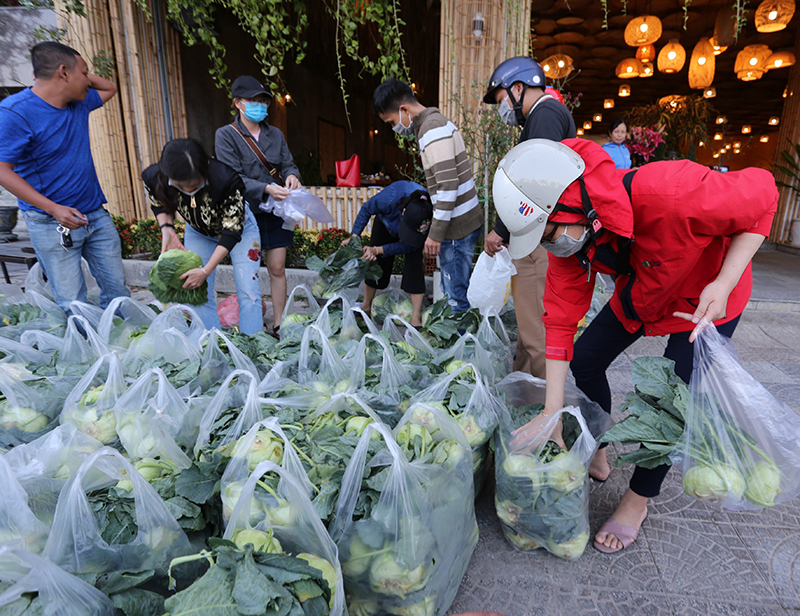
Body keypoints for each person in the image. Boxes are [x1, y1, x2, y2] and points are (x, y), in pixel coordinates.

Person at [493, 137, 778, 554]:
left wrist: (724, 281)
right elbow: (559, 320)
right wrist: (552, 410)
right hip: (646, 291)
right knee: (586, 359)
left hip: (706, 299)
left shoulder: (672, 191)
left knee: (669, 401)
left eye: (548, 232)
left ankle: (637, 500)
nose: (547, 245)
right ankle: (600, 447)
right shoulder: (572, 240)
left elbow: (764, 194)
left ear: (575, 203)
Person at [0, 41, 130, 312]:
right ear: (63, 73)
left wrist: (76, 71)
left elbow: (110, 87)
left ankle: (119, 346)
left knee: (118, 291)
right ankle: (88, 352)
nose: (88, 80)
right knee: (73, 302)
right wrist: (53, 208)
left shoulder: (78, 103)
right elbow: (2, 170)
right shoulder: (16, 112)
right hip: (50, 222)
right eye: (84, 72)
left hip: (94, 214)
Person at [482, 56, 577, 379]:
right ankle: (523, 393)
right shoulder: (543, 116)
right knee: (528, 323)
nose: (502, 109)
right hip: (534, 236)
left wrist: (500, 230)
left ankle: (548, 412)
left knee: (537, 331)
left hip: (537, 238)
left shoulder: (546, 115)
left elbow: (533, 186)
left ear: (518, 88)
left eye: (501, 101)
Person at [373, 78, 483, 313]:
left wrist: (435, 234)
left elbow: (447, 185)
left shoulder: (431, 130)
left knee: (456, 298)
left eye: (391, 122)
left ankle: (461, 346)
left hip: (457, 227)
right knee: (456, 290)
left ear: (403, 109)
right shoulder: (437, 122)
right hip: (464, 220)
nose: (394, 128)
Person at [142, 139, 263, 334]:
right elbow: (159, 204)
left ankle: (254, 351)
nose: (189, 190)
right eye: (182, 186)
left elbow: (232, 231)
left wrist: (206, 270)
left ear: (206, 166)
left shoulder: (227, 179)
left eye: (194, 184)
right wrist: (167, 229)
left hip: (240, 232)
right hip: (198, 232)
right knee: (196, 294)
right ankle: (211, 347)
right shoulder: (153, 177)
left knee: (250, 294)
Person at [215, 75, 302, 337]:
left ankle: (278, 323)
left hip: (276, 211)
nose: (259, 105)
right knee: (249, 272)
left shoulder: (275, 134)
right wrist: (265, 188)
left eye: (262, 100)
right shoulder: (226, 135)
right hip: (245, 212)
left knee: (277, 267)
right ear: (238, 104)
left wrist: (292, 175)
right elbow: (231, 176)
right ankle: (253, 326)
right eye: (252, 100)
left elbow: (288, 163)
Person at [344, 180, 430, 326]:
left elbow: (408, 246)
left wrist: (378, 250)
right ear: (403, 212)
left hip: (414, 233)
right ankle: (366, 306)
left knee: (414, 266)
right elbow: (366, 209)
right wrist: (354, 236)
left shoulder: (426, 211)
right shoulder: (389, 198)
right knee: (376, 264)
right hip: (385, 224)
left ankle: (416, 317)